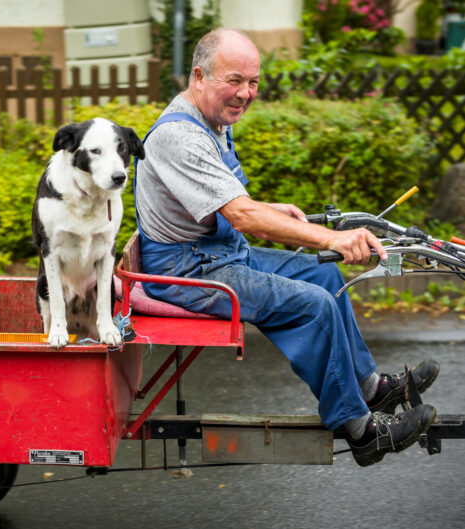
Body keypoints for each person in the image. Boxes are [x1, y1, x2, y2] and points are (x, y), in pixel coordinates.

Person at [134, 28, 439, 467]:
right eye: (234, 80)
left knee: (323, 274)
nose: (245, 93)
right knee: (313, 304)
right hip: (188, 273)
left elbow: (226, 202)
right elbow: (242, 216)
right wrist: (334, 238)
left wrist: (271, 209)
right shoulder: (180, 136)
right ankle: (360, 430)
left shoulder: (211, 120)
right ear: (199, 76)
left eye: (253, 82)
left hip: (217, 254)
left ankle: (371, 388)